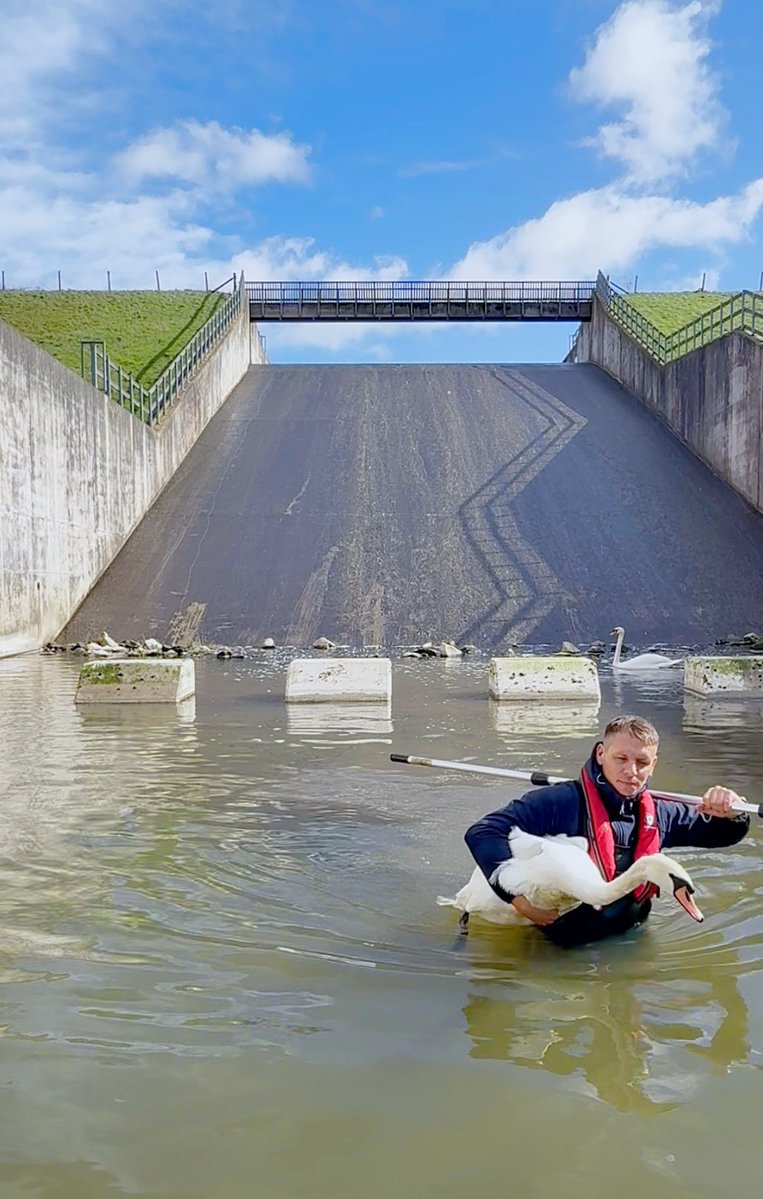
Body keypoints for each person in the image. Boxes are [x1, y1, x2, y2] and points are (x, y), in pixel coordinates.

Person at [464, 714, 749, 946]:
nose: (631, 771)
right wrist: (518, 901)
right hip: (558, 942)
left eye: (642, 762)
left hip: (630, 936)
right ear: (601, 754)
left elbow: (722, 835)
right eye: (621, 759)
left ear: (653, 765)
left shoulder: (661, 812)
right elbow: (483, 832)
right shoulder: (559, 802)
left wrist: (732, 813)